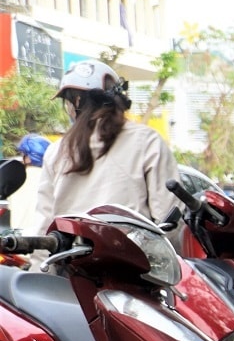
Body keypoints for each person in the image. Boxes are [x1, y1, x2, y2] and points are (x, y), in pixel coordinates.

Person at [34, 60, 178, 233]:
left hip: (68, 257)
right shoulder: (147, 141)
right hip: (132, 256)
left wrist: (43, 260)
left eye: (67, 103)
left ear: (76, 102)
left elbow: (43, 228)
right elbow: (169, 220)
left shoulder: (56, 151)